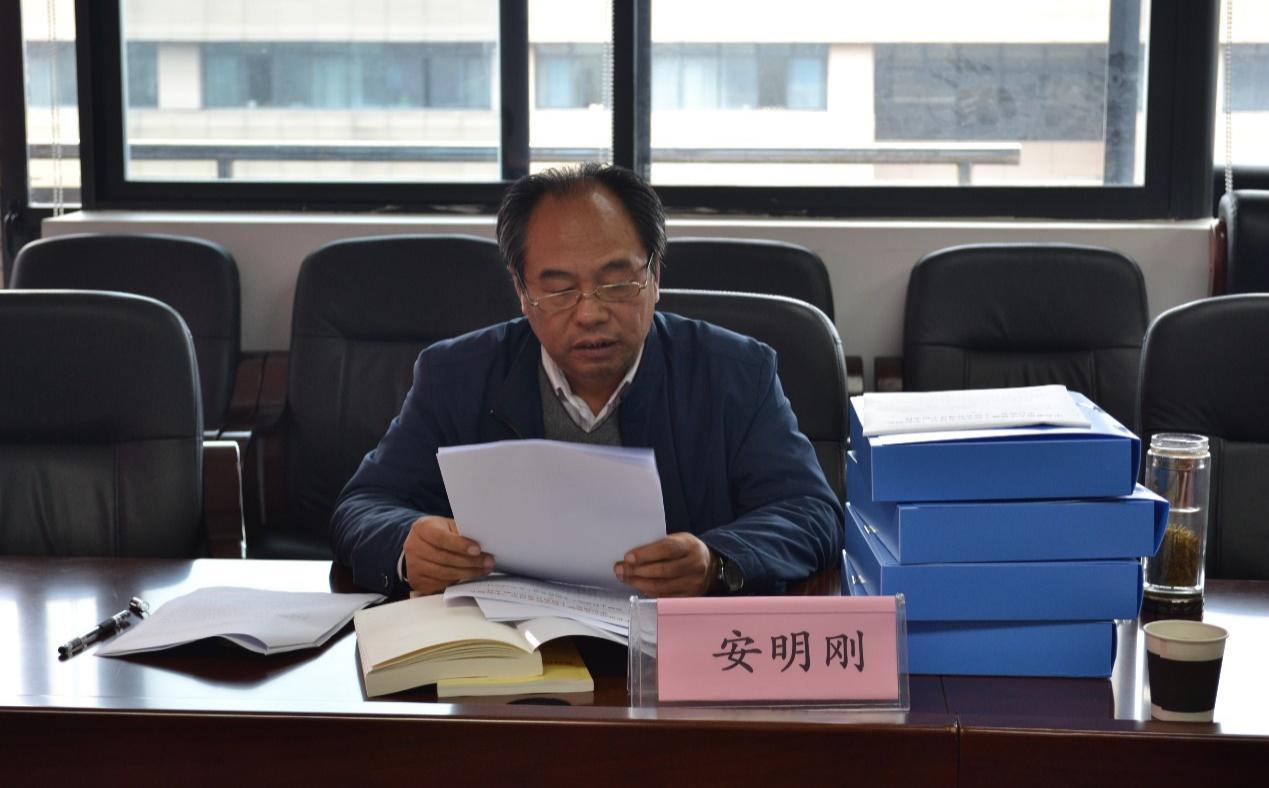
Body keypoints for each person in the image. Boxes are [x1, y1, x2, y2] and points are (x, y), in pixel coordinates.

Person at [331, 163, 842, 597]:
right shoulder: (456, 375)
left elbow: (811, 511)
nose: (590, 313)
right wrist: (407, 545)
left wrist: (717, 561)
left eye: (616, 283)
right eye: (559, 290)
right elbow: (362, 505)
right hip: (510, 654)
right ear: (521, 290)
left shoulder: (736, 374)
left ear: (655, 276)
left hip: (672, 653)